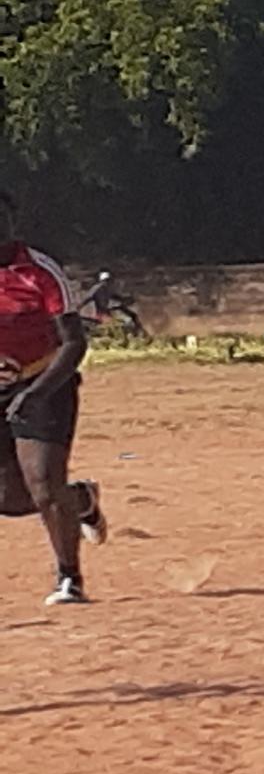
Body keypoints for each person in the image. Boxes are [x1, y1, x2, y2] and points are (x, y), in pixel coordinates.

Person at [0, 189, 108, 605]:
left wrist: (36, 394)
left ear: (13, 223)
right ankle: (80, 499)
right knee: (12, 499)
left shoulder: (39, 272)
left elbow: (73, 343)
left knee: (44, 483)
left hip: (42, 383)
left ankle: (69, 577)